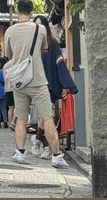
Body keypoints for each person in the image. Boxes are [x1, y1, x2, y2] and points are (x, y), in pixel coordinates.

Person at [3, 0, 68, 168]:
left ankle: (20, 153)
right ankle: (56, 155)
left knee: (21, 118)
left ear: (18, 11)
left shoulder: (9, 31)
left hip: (19, 81)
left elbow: (9, 55)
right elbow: (43, 49)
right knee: (47, 118)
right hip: (38, 80)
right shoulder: (39, 29)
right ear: (31, 12)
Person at [31, 14, 79, 159]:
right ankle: (43, 144)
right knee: (45, 116)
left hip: (50, 84)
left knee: (45, 116)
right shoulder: (32, 45)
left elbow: (60, 64)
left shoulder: (53, 44)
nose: (38, 28)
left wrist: (66, 84)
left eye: (41, 25)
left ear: (46, 27)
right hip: (36, 83)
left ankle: (41, 142)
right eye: (36, 25)